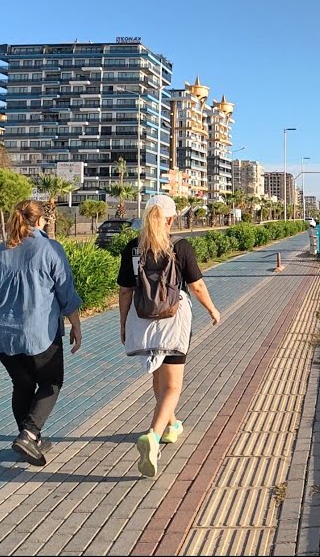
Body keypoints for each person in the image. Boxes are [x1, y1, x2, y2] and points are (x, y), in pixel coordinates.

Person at [118, 194, 221, 478]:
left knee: (157, 376)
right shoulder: (179, 247)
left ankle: (171, 425)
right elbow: (197, 286)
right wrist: (213, 310)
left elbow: (125, 290)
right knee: (173, 386)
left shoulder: (133, 249)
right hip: (173, 321)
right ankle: (153, 435)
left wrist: (124, 324)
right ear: (171, 219)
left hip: (143, 321)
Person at [0, 199, 83, 467]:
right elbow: (66, 294)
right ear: (39, 221)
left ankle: (31, 440)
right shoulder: (50, 249)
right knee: (51, 383)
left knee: (22, 384)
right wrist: (76, 326)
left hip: (2, 336)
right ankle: (29, 433)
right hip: (39, 335)